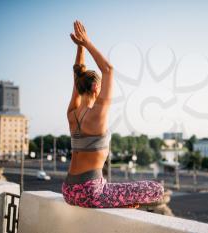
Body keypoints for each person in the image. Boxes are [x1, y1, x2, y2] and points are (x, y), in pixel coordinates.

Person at [61, 20, 164, 208]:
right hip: (89, 192)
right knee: (155, 189)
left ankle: (114, 200)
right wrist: (86, 43)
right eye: (100, 86)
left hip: (69, 190)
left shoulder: (72, 114)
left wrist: (80, 49)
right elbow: (108, 70)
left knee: (113, 188)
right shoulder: (96, 115)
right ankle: (113, 200)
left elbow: (77, 76)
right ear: (95, 87)